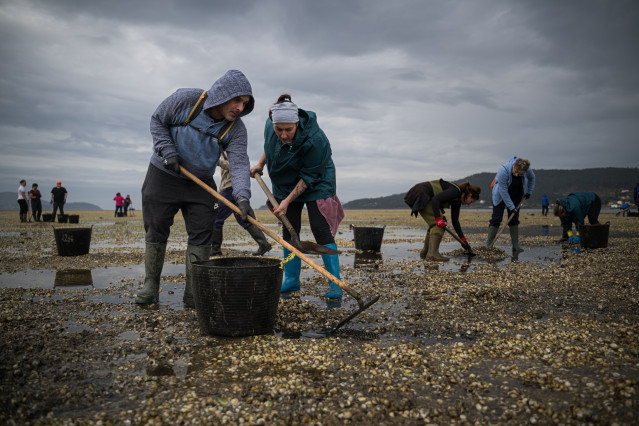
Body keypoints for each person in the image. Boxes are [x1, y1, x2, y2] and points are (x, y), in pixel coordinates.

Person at [136, 70, 257, 308]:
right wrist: (168, 151)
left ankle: (194, 293)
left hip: (200, 183)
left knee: (203, 233)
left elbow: (240, 162)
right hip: (163, 175)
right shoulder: (187, 100)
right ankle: (151, 285)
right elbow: (157, 120)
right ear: (223, 94)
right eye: (237, 100)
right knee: (157, 228)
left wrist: (243, 197)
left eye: (245, 103)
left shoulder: (236, 129)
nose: (240, 108)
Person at [250, 94, 344, 299]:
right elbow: (270, 145)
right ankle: (291, 280)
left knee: (320, 227)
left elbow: (310, 176)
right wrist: (260, 164)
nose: (283, 134)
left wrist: (287, 200)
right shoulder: (271, 125)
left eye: (288, 130)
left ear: (297, 123)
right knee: (290, 227)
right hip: (285, 180)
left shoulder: (315, 139)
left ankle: (335, 284)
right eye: (279, 129)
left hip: (317, 179)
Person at [210, 154, 271, 256]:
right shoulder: (223, 150)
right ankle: (263, 243)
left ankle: (215, 250)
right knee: (244, 218)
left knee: (216, 217)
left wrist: (218, 162)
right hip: (230, 188)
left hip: (232, 189)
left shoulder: (232, 150)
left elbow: (236, 166)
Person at [405, 180, 481, 261]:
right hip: (422, 193)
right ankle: (432, 255)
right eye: (471, 201)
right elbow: (435, 199)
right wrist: (438, 219)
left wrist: (463, 241)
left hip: (422, 194)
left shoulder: (457, 200)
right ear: (469, 195)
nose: (469, 204)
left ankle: (426, 252)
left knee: (437, 223)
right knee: (438, 224)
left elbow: (455, 221)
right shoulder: (455, 191)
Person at [487, 157, 535, 254]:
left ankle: (515, 246)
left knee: (514, 219)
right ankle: (489, 245)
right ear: (514, 166)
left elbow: (532, 178)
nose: (517, 175)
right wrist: (511, 207)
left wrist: (529, 191)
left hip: (516, 195)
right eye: (515, 172)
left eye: (520, 174)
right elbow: (503, 191)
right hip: (500, 195)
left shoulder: (527, 169)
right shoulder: (503, 171)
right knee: (496, 219)